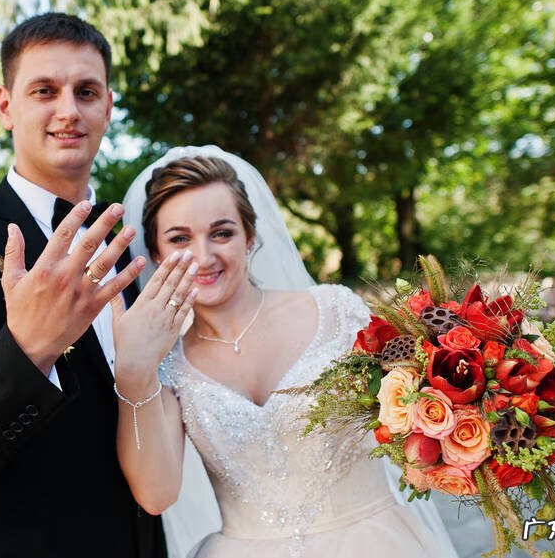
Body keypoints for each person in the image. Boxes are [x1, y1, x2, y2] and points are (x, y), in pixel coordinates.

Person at [0, 13, 190, 558]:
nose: (68, 110)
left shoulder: (131, 253)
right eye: (44, 90)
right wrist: (27, 350)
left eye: (86, 91)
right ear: (7, 106)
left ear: (108, 108)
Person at [114, 146, 459, 558]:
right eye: (179, 239)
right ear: (156, 253)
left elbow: (432, 403)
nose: (203, 257)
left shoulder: (336, 312)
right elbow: (155, 495)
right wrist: (134, 369)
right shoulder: (170, 366)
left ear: (251, 236)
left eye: (222, 233)